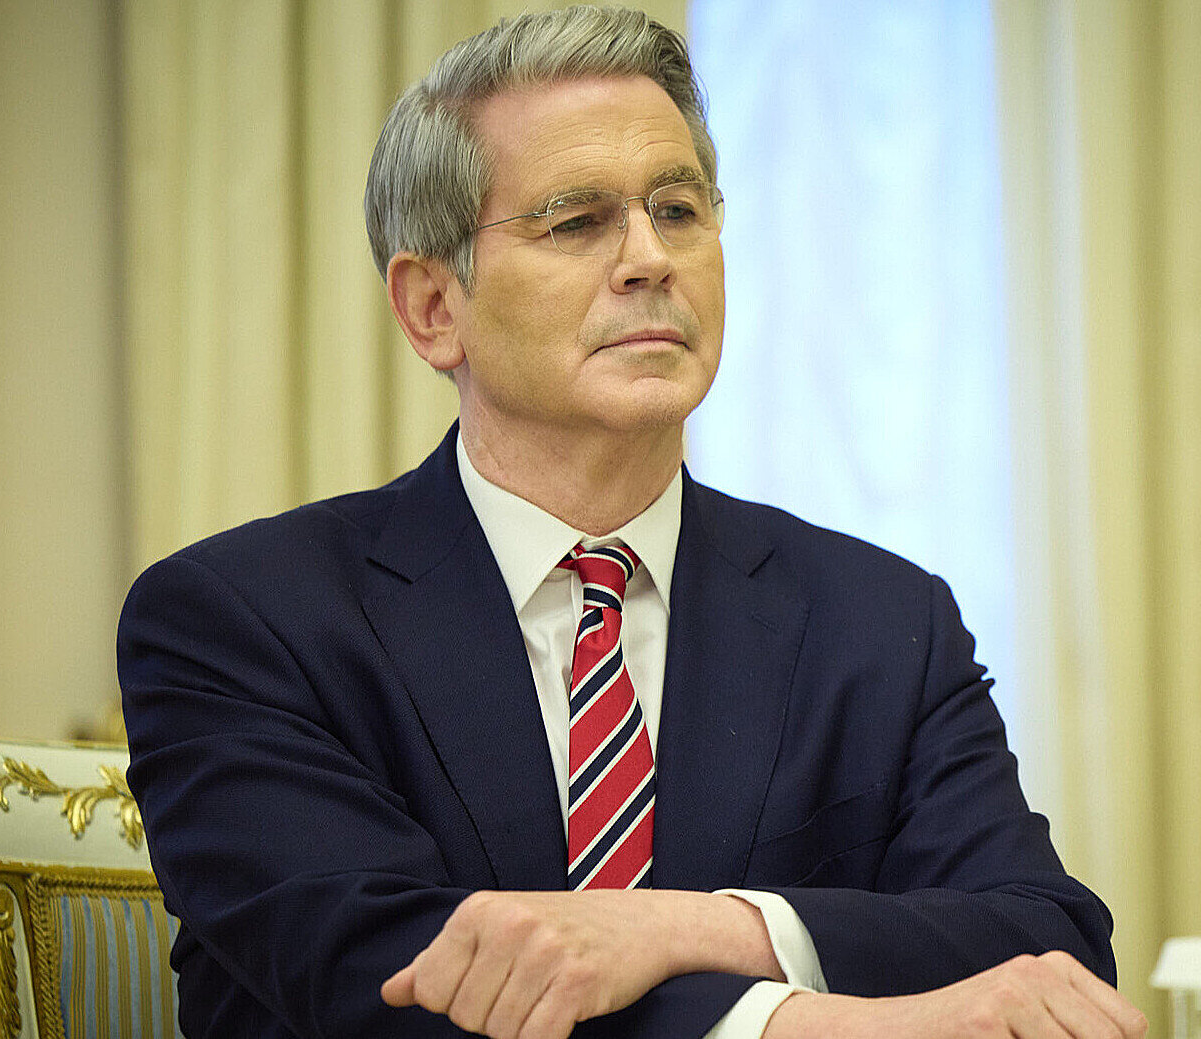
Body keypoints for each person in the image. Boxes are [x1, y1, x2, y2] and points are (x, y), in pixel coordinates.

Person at [118, 7, 1146, 1039]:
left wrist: (689, 927)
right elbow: (406, 986)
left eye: (679, 209)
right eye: (576, 221)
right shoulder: (244, 620)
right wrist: (833, 1025)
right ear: (433, 307)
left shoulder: (882, 621)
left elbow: (1046, 944)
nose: (650, 257)